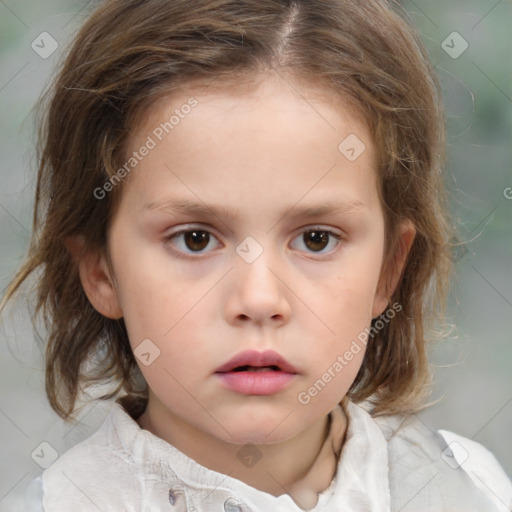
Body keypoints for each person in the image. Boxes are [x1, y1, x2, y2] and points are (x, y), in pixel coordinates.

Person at [1, 0, 511, 510]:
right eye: (195, 239)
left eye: (316, 239)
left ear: (388, 270)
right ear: (101, 270)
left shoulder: (471, 490)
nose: (260, 298)